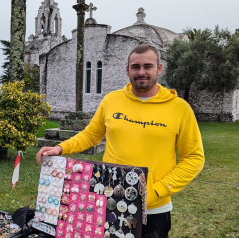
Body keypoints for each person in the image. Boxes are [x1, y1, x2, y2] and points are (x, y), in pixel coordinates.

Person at [36, 44, 205, 237]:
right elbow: (91, 135)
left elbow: (193, 158)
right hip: (109, 203)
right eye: (135, 67)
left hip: (154, 211)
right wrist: (60, 148)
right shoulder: (112, 100)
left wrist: (155, 191)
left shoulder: (179, 109)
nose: (141, 72)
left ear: (159, 68)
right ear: (127, 70)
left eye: (147, 66)